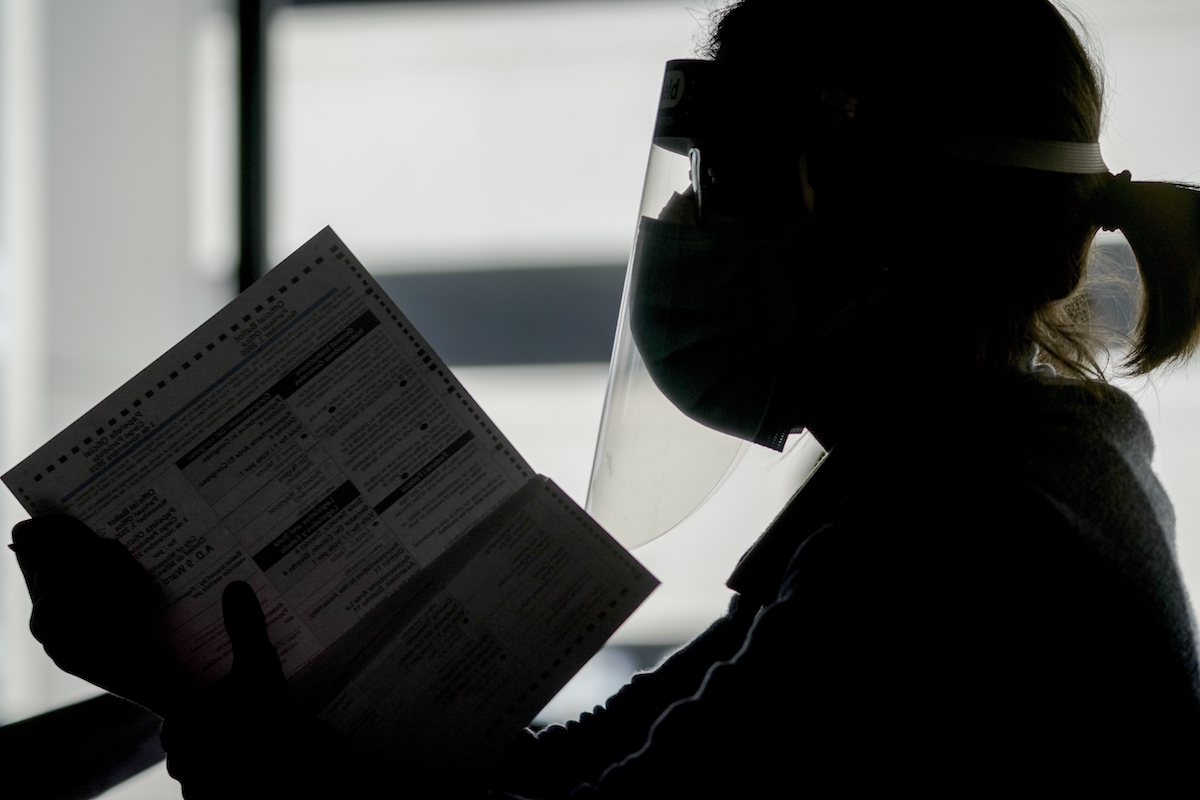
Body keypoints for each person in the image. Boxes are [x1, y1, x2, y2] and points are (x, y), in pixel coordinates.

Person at [12, 0, 1200, 795]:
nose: (684, 224)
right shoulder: (980, 480)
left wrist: (194, 693)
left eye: (726, 178)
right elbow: (584, 767)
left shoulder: (962, 541)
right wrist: (210, 680)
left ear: (880, 231)